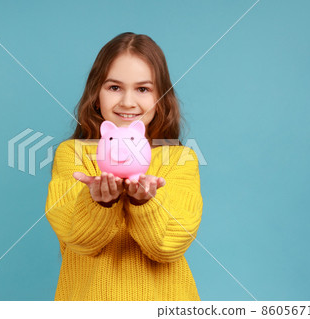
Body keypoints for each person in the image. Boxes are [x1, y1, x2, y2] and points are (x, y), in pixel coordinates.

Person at [45, 32, 203, 301]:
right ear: (96, 94)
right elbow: (78, 239)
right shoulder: (72, 156)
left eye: (143, 89)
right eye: (114, 87)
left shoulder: (179, 160)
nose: (128, 102)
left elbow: (168, 247)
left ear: (160, 99)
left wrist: (145, 203)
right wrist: (99, 204)